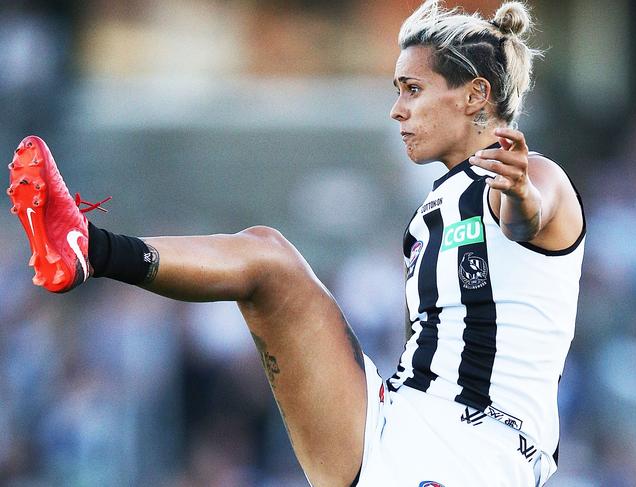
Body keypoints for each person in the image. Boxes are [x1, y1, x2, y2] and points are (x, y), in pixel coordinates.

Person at [7, 1, 585, 486]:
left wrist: (520, 200)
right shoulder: (433, 207)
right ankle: (86, 248)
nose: (397, 109)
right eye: (396, 90)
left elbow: (524, 219)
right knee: (267, 257)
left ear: (474, 95)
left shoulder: (534, 176)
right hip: (395, 415)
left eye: (413, 89)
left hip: (478, 453)